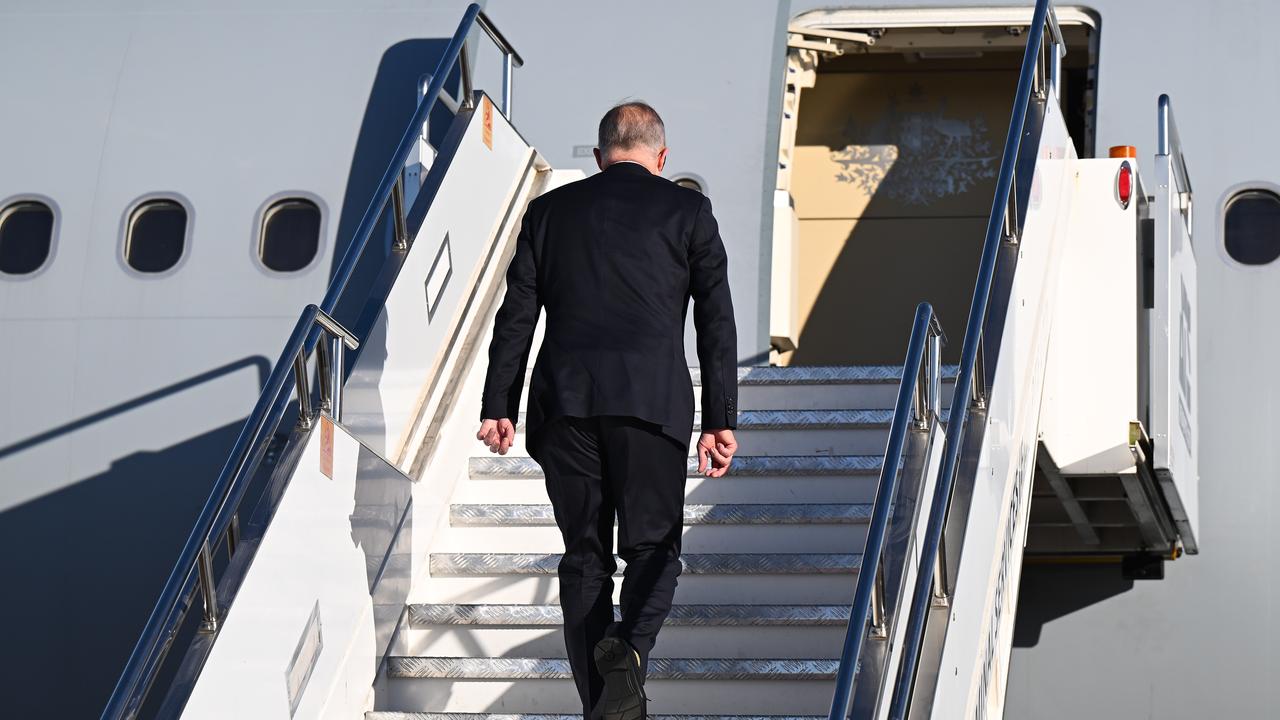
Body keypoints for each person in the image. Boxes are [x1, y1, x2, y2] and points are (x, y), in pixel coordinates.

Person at [475, 101, 739, 719]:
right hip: (650, 405)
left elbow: (517, 316)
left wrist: (498, 404)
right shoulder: (688, 211)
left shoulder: (548, 212)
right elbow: (716, 319)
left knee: (584, 559)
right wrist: (719, 417)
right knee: (653, 550)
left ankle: (604, 707)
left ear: (599, 156)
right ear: (661, 156)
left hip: (564, 406)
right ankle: (631, 650)